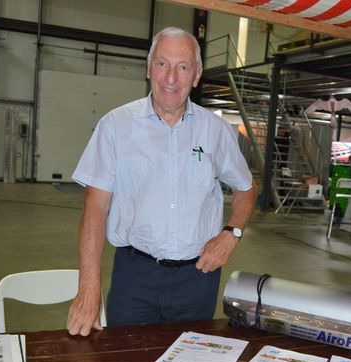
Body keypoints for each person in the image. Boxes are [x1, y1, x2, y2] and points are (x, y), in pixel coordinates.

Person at [67, 27, 257, 337]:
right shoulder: (115, 126)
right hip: (134, 277)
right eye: (162, 64)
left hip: (197, 278)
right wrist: (89, 287)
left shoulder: (216, 131)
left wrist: (231, 234)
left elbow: (246, 189)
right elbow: (95, 208)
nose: (170, 78)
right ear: (148, 68)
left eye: (183, 67)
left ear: (196, 76)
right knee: (126, 361)